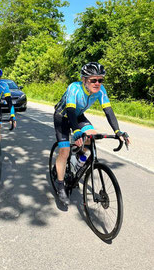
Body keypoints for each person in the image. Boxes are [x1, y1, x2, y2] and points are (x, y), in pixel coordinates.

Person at [53, 62, 130, 205]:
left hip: (78, 116)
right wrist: (76, 132)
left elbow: (108, 111)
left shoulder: (101, 91)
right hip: (62, 117)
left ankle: (77, 159)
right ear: (84, 80)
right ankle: (60, 184)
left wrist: (117, 131)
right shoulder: (74, 88)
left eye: (100, 80)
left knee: (92, 135)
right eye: (93, 80)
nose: (97, 83)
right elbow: (70, 111)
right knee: (64, 151)